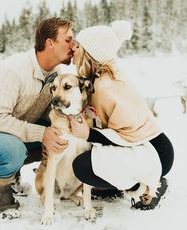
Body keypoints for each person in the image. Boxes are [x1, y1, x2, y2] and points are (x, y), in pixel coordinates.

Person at [0, 17, 74, 218]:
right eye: (68, 40)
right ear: (50, 43)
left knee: (61, 138)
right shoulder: (13, 70)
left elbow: (53, 116)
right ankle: (2, 200)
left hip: (12, 130)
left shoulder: (58, 74)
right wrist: (42, 133)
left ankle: (13, 176)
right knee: (13, 149)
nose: (73, 46)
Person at [70, 20, 174, 210]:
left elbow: (127, 135)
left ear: (90, 54)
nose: (72, 50)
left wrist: (88, 134)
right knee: (93, 156)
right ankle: (117, 185)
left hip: (154, 152)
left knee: (82, 166)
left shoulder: (106, 86)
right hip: (146, 147)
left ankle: (149, 186)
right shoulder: (102, 77)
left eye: (77, 46)